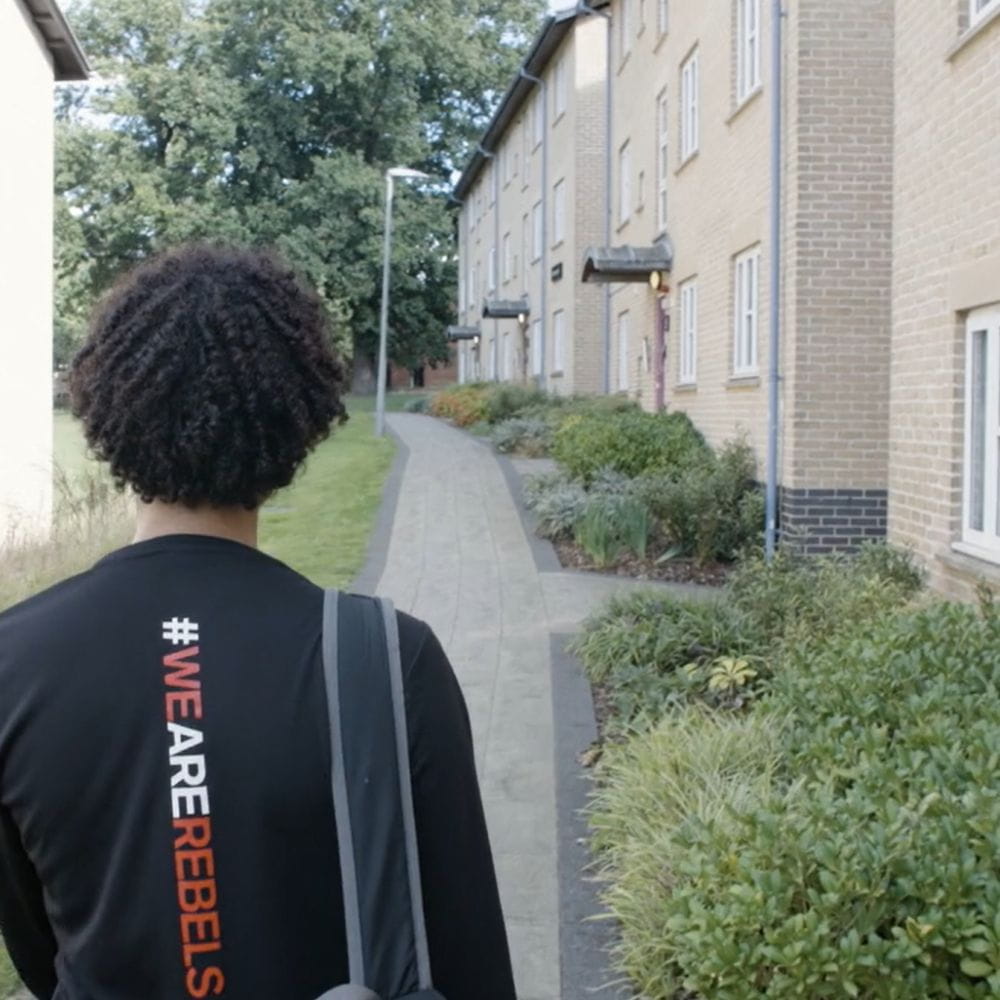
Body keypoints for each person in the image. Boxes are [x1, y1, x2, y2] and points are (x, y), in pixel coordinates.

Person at [0, 245, 516, 1000]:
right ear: (294, 422)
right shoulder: (390, 660)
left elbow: (42, 952)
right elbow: (471, 965)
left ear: (108, 409)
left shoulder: (14, 663)